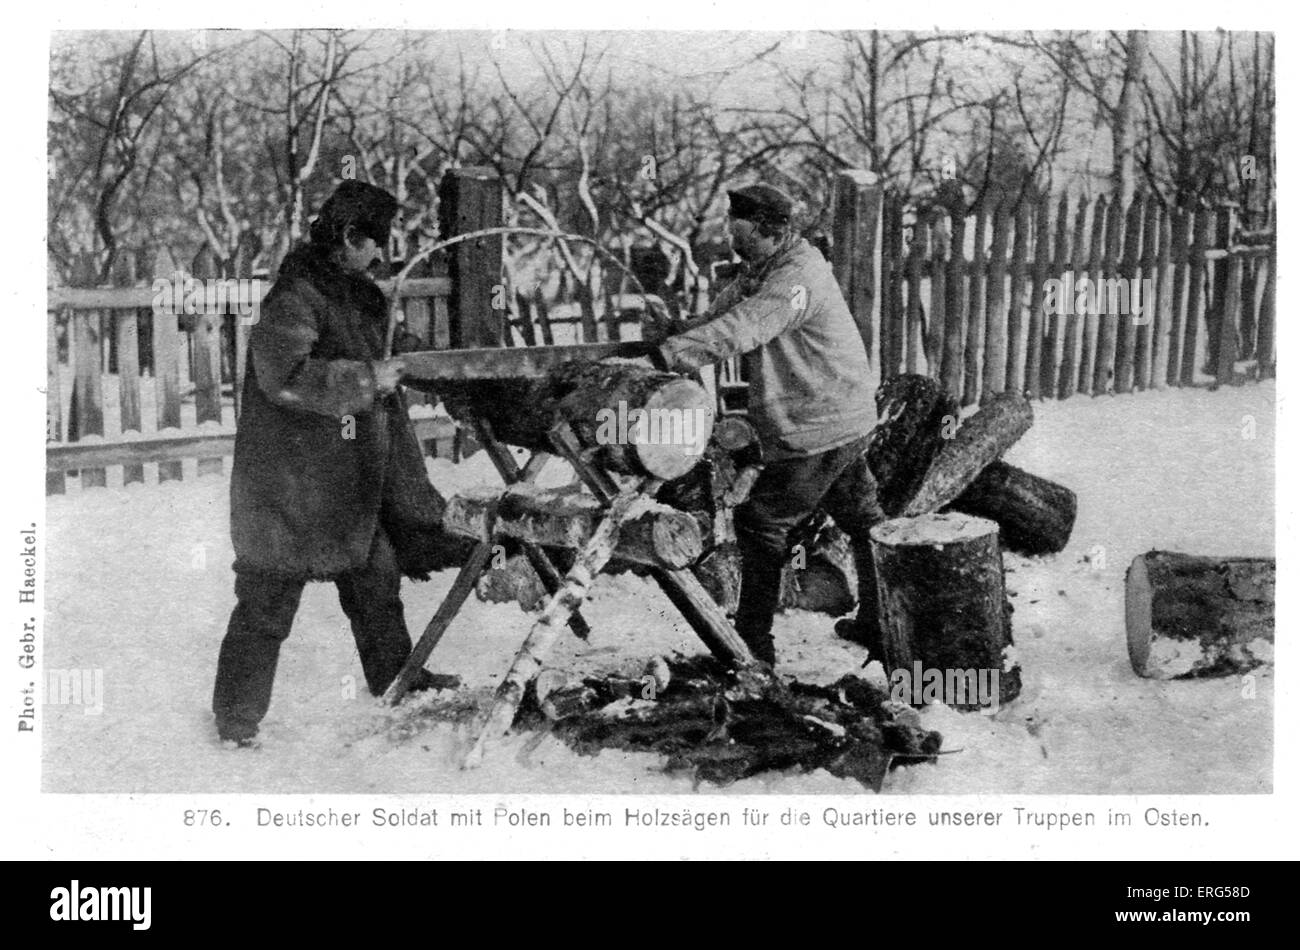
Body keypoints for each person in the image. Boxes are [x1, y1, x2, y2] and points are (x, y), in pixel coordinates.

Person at [213, 180, 459, 746]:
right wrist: (368, 379)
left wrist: (425, 360)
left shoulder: (355, 294)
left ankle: (399, 684)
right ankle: (235, 719)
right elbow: (286, 379)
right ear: (349, 236)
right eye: (374, 243)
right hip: (289, 486)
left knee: (376, 581)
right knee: (267, 602)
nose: (381, 255)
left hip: (345, 483)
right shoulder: (295, 297)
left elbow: (385, 342)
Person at [645, 183, 888, 668]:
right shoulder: (766, 269)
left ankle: (753, 645)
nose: (730, 236)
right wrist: (677, 329)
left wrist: (664, 356)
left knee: (760, 523)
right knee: (862, 519)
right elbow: (722, 316)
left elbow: (744, 328)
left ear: (766, 230)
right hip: (842, 414)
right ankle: (882, 620)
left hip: (822, 421)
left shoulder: (795, 279)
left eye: (737, 229)